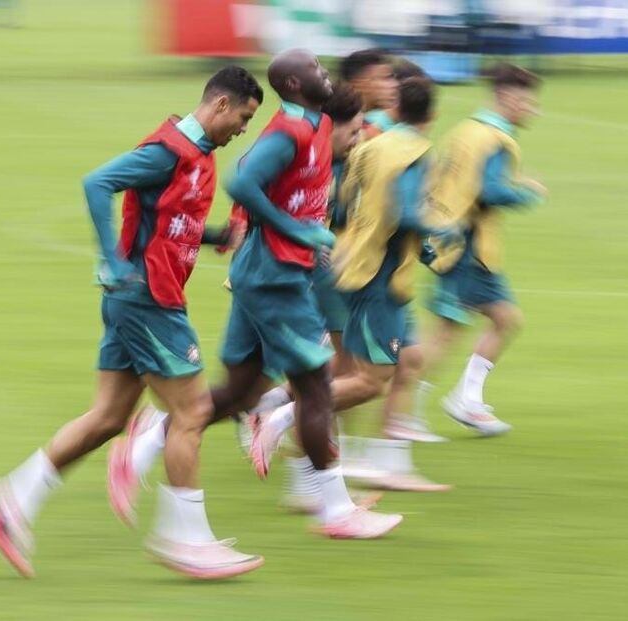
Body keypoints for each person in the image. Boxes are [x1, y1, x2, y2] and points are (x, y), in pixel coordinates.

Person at [0, 66, 267, 580]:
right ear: (221, 105)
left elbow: (169, 221)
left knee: (108, 419)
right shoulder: (169, 150)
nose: (243, 129)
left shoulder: (198, 156)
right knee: (192, 413)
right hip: (149, 302)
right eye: (244, 118)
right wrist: (110, 261)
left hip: (138, 303)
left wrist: (217, 233)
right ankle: (185, 539)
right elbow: (98, 183)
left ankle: (13, 498)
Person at [111, 50, 403, 540]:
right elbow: (242, 180)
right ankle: (336, 510)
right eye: (312, 66)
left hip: (265, 273)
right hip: (276, 276)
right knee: (315, 386)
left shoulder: (311, 127)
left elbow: (261, 170)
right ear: (293, 82)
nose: (321, 70)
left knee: (244, 391)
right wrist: (297, 229)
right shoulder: (290, 130)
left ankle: (146, 441)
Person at [249, 78, 454, 493]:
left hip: (353, 265)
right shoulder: (414, 153)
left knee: (396, 362)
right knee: (369, 378)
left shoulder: (369, 147)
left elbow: (340, 205)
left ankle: (331, 472)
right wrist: (440, 226)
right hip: (379, 275)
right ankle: (285, 417)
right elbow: (406, 213)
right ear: (432, 115)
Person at [421, 63, 547, 436]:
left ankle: (466, 400)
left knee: (505, 320)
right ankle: (403, 413)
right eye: (527, 101)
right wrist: (527, 193)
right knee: (444, 333)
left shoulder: (466, 131)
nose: (532, 109)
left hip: (450, 237)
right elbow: (489, 191)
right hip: (469, 247)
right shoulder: (497, 140)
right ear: (507, 98)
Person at [339, 48, 398, 138]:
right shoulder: (338, 129)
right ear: (360, 84)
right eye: (386, 78)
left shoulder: (374, 125)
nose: (395, 84)